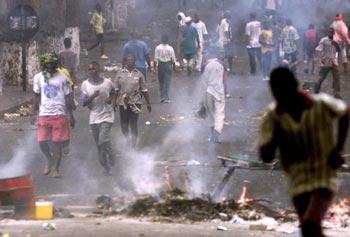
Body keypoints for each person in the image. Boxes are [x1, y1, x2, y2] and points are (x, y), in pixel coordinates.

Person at [259, 67, 349, 237]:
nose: (282, 97)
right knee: (310, 230)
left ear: (295, 85)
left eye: (285, 91)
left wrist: (338, 149)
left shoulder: (320, 104)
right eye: (277, 93)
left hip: (323, 176)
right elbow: (266, 156)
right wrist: (277, 136)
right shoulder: (273, 116)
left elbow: (344, 113)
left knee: (310, 224)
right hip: (297, 180)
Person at [32, 52, 75, 178]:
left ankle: (56, 168)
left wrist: (71, 115)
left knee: (57, 144)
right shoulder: (38, 77)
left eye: (52, 64)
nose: (50, 66)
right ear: (44, 64)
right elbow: (36, 96)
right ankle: (49, 159)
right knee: (42, 142)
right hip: (44, 114)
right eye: (47, 64)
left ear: (56, 64)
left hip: (59, 114)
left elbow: (68, 97)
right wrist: (33, 113)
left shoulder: (63, 78)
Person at [81, 61, 116, 175]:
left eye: (94, 69)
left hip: (107, 115)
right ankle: (106, 167)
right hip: (94, 117)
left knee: (102, 140)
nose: (92, 71)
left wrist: (112, 101)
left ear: (99, 70)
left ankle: (111, 154)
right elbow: (84, 102)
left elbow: (114, 93)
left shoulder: (107, 82)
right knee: (99, 145)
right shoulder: (85, 85)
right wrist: (93, 96)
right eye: (90, 69)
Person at [114, 54, 152, 148]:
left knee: (133, 123)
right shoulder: (120, 74)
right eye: (128, 60)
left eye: (132, 60)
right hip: (123, 103)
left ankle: (133, 145)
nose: (130, 62)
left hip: (136, 102)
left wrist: (148, 103)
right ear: (125, 62)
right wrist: (114, 101)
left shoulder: (139, 74)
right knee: (124, 124)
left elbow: (144, 90)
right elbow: (116, 89)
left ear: (134, 61)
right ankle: (127, 138)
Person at [201, 48, 227, 143]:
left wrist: (202, 98)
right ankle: (216, 135)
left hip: (208, 91)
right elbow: (224, 80)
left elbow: (203, 82)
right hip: (219, 92)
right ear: (216, 55)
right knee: (219, 114)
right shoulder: (222, 64)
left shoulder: (205, 65)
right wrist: (226, 92)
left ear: (208, 55)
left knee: (210, 114)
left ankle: (212, 135)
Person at [314, 28, 342, 98]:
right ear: (327, 33)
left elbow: (339, 50)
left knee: (336, 78)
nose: (330, 33)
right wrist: (321, 59)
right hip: (325, 62)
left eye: (331, 32)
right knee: (322, 77)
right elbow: (318, 49)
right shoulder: (323, 40)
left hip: (333, 62)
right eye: (329, 32)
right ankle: (316, 90)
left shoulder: (336, 40)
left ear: (333, 33)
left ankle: (336, 93)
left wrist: (336, 44)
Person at [154, 34, 176, 103]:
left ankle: (162, 97)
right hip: (168, 65)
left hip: (161, 65)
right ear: (167, 40)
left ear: (161, 39)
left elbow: (155, 59)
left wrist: (154, 68)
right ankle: (167, 97)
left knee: (161, 82)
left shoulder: (157, 48)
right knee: (167, 82)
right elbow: (173, 59)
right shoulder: (170, 48)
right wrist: (174, 68)